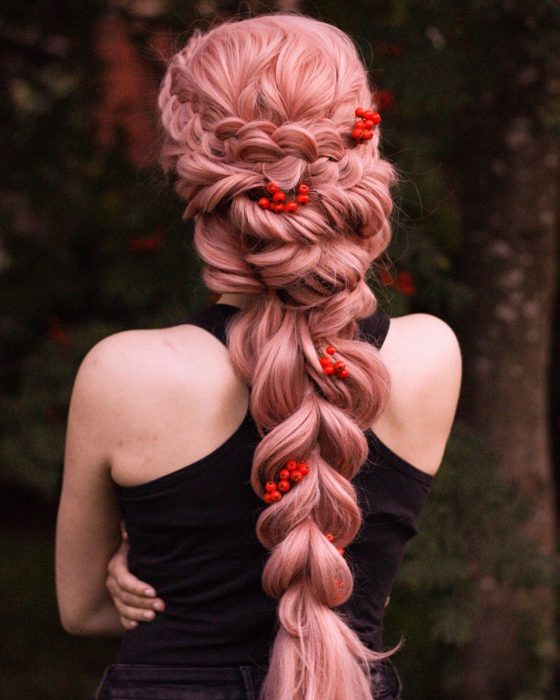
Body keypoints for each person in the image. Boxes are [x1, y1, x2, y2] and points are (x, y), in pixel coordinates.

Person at [55, 12, 462, 700]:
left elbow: (85, 608)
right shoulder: (431, 355)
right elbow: (355, 581)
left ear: (192, 165)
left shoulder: (121, 374)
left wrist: (136, 558)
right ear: (361, 140)